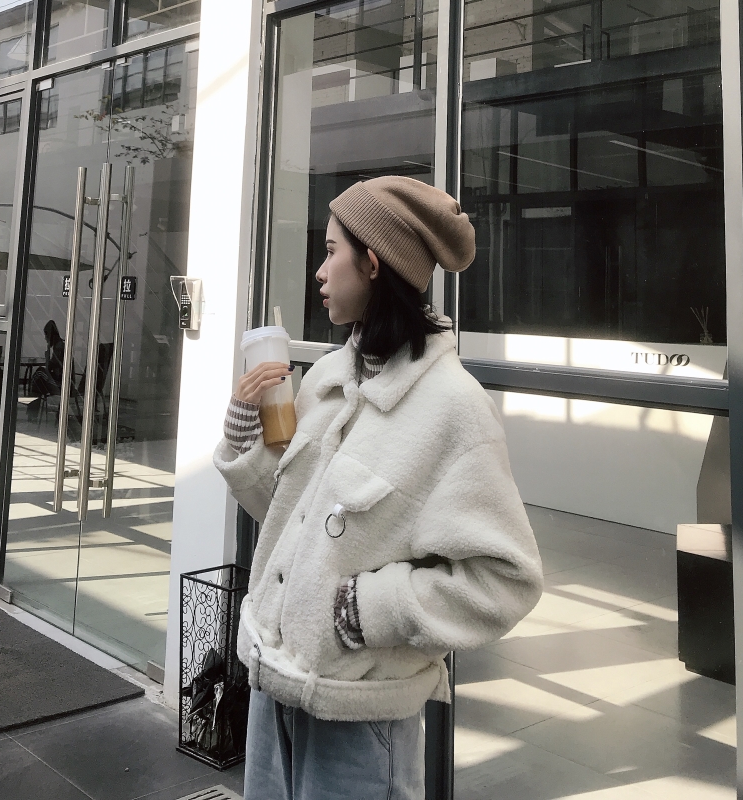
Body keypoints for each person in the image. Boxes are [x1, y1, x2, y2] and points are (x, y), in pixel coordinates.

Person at [214, 177, 543, 800]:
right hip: (271, 686)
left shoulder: (453, 408)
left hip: (358, 719)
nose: (319, 271)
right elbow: (286, 522)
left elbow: (507, 580)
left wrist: (365, 611)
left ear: (372, 262)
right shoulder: (328, 378)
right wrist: (243, 436)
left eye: (331, 250)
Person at [27, 320, 65, 421]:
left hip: (60, 382)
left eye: (46, 335)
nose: (45, 338)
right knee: (38, 381)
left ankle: (32, 411)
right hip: (61, 380)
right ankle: (32, 411)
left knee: (39, 373)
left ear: (50, 335)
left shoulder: (59, 347)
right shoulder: (60, 345)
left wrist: (47, 357)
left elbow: (50, 367)